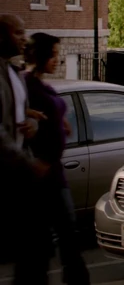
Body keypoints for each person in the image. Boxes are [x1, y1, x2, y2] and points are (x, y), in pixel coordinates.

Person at [23, 33, 90, 285]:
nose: (57, 60)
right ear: (40, 55)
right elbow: (13, 111)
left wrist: (60, 119)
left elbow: (53, 107)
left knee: (66, 232)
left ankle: (74, 277)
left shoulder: (43, 85)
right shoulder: (26, 83)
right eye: (52, 54)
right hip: (42, 170)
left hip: (54, 170)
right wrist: (27, 114)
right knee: (50, 235)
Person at [0, 14, 50, 283]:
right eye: (17, 33)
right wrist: (27, 163)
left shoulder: (14, 73)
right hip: (10, 171)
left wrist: (32, 123)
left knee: (34, 247)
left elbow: (25, 114)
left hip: (18, 174)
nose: (23, 38)